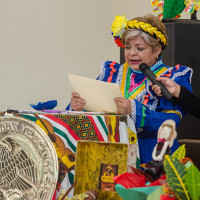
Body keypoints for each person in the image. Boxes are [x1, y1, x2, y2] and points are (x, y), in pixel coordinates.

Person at [67, 14, 193, 164]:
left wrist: (135, 111)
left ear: (157, 49)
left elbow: (171, 121)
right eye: (127, 47)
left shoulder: (173, 77)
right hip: (113, 154)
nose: (132, 53)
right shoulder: (111, 74)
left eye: (140, 48)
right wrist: (77, 107)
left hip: (153, 155)